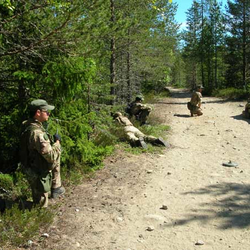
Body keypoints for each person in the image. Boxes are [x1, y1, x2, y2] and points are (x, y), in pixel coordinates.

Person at [20, 99, 65, 208]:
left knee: (39, 199)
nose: (49, 114)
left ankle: (55, 188)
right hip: (39, 173)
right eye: (46, 111)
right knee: (41, 206)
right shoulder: (37, 133)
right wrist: (57, 143)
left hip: (31, 168)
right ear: (38, 113)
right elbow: (51, 156)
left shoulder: (28, 125)